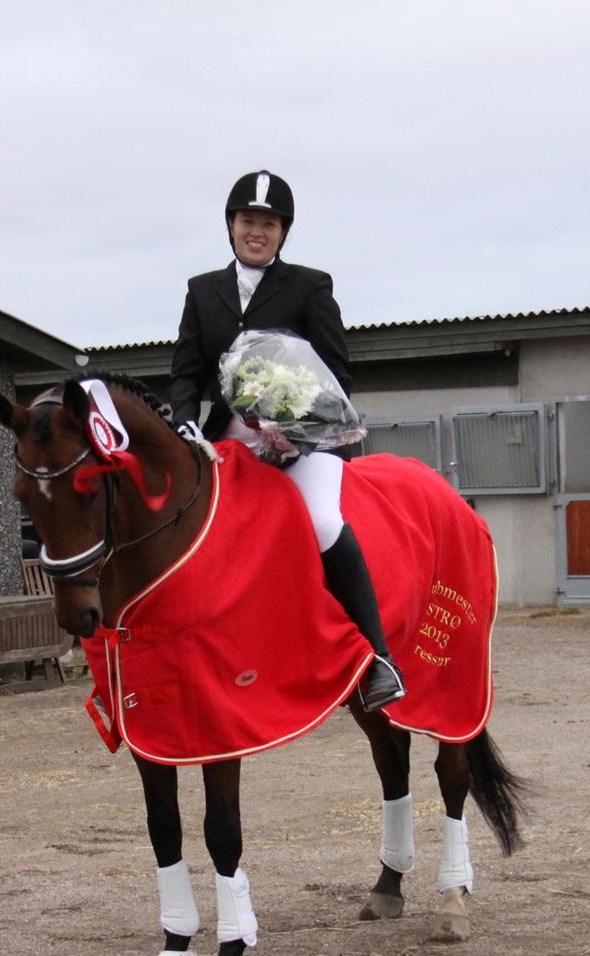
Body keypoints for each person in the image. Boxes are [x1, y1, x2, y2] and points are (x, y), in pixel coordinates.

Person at [167, 170, 406, 711]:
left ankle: (378, 658)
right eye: (248, 221)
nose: (258, 231)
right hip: (228, 440)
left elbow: (336, 373)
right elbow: (186, 372)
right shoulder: (202, 291)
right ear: (231, 225)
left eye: (269, 224)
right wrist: (183, 419)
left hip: (304, 443)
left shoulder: (309, 286)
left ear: (283, 232)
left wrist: (294, 426)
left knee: (321, 521)